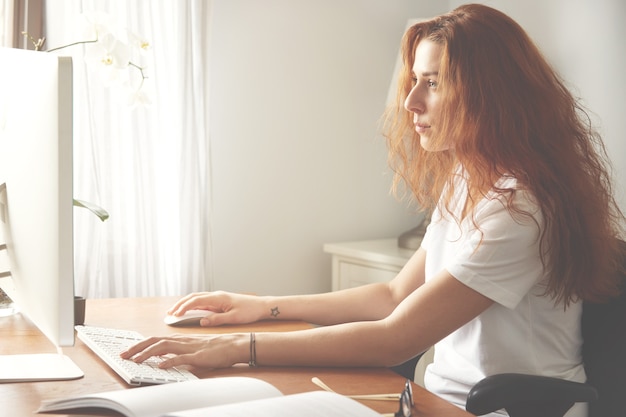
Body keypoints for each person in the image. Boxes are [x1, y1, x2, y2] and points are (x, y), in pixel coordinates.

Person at [121, 4, 624, 416]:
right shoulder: (470, 178)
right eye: (415, 81)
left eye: (433, 83)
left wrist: (239, 348)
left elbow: (395, 338)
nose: (410, 102)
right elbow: (394, 295)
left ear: (489, 96)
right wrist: (263, 305)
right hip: (439, 402)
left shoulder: (520, 209)